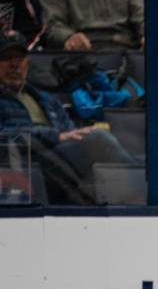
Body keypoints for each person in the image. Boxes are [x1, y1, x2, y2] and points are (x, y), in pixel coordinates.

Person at [0, 32, 137, 203]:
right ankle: (148, 194)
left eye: (19, 59)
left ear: (27, 64)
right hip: (26, 166)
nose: (14, 64)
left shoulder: (46, 100)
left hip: (58, 162)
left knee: (101, 154)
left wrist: (69, 136)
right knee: (98, 140)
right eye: (6, 58)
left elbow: (70, 132)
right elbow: (4, 136)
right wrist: (55, 136)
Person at [36, 0, 158, 50]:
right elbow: (53, 24)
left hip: (127, 48)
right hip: (81, 54)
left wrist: (155, 32)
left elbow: (143, 14)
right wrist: (68, 37)